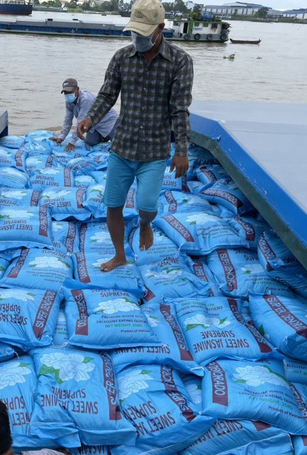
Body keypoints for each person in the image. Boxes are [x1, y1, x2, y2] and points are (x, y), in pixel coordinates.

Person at [76, 0, 194, 271]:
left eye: (143, 33)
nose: (137, 39)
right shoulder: (121, 58)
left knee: (147, 206)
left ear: (161, 28)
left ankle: (145, 225)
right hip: (122, 146)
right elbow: (107, 94)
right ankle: (119, 254)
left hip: (155, 150)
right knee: (113, 204)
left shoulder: (179, 61)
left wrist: (182, 151)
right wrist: (90, 118)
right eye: (134, 32)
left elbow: (180, 109)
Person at [51, 78, 118, 152]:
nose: (68, 95)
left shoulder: (85, 99)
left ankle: (110, 135)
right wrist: (62, 137)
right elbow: (68, 119)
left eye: (70, 92)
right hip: (94, 124)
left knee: (118, 146)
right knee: (90, 142)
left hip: (108, 121)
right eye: (66, 93)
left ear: (77, 89)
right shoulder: (69, 102)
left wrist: (72, 142)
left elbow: (80, 122)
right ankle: (104, 137)